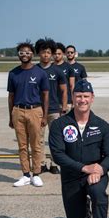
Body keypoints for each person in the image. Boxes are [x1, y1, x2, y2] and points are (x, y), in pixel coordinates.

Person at [49, 80, 109, 218]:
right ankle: (84, 210)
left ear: (92, 98)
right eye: (78, 96)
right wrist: (84, 168)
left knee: (99, 194)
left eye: (86, 96)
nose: (82, 100)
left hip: (95, 176)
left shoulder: (102, 125)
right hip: (71, 177)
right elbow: (58, 155)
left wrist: (99, 170)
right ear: (73, 97)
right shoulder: (60, 125)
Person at [7, 41, 49, 187]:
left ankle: (36, 174)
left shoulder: (40, 73)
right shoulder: (13, 73)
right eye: (21, 52)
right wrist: (11, 116)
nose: (24, 55)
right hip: (18, 111)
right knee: (22, 146)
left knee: (36, 144)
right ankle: (25, 174)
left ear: (32, 54)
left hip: (35, 110)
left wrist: (44, 115)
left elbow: (45, 96)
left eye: (27, 52)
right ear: (18, 55)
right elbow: (11, 96)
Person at [34, 37, 68, 174]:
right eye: (43, 52)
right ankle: (41, 164)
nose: (46, 55)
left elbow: (64, 90)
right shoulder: (34, 70)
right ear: (38, 53)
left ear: (52, 53)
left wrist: (64, 107)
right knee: (39, 139)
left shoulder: (57, 71)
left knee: (55, 139)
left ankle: (54, 164)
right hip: (37, 110)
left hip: (54, 110)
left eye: (48, 52)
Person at [54, 42, 75, 110]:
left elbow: (72, 86)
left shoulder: (69, 67)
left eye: (59, 54)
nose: (57, 55)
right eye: (55, 54)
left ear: (63, 54)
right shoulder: (50, 67)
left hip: (66, 102)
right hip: (52, 102)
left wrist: (73, 101)